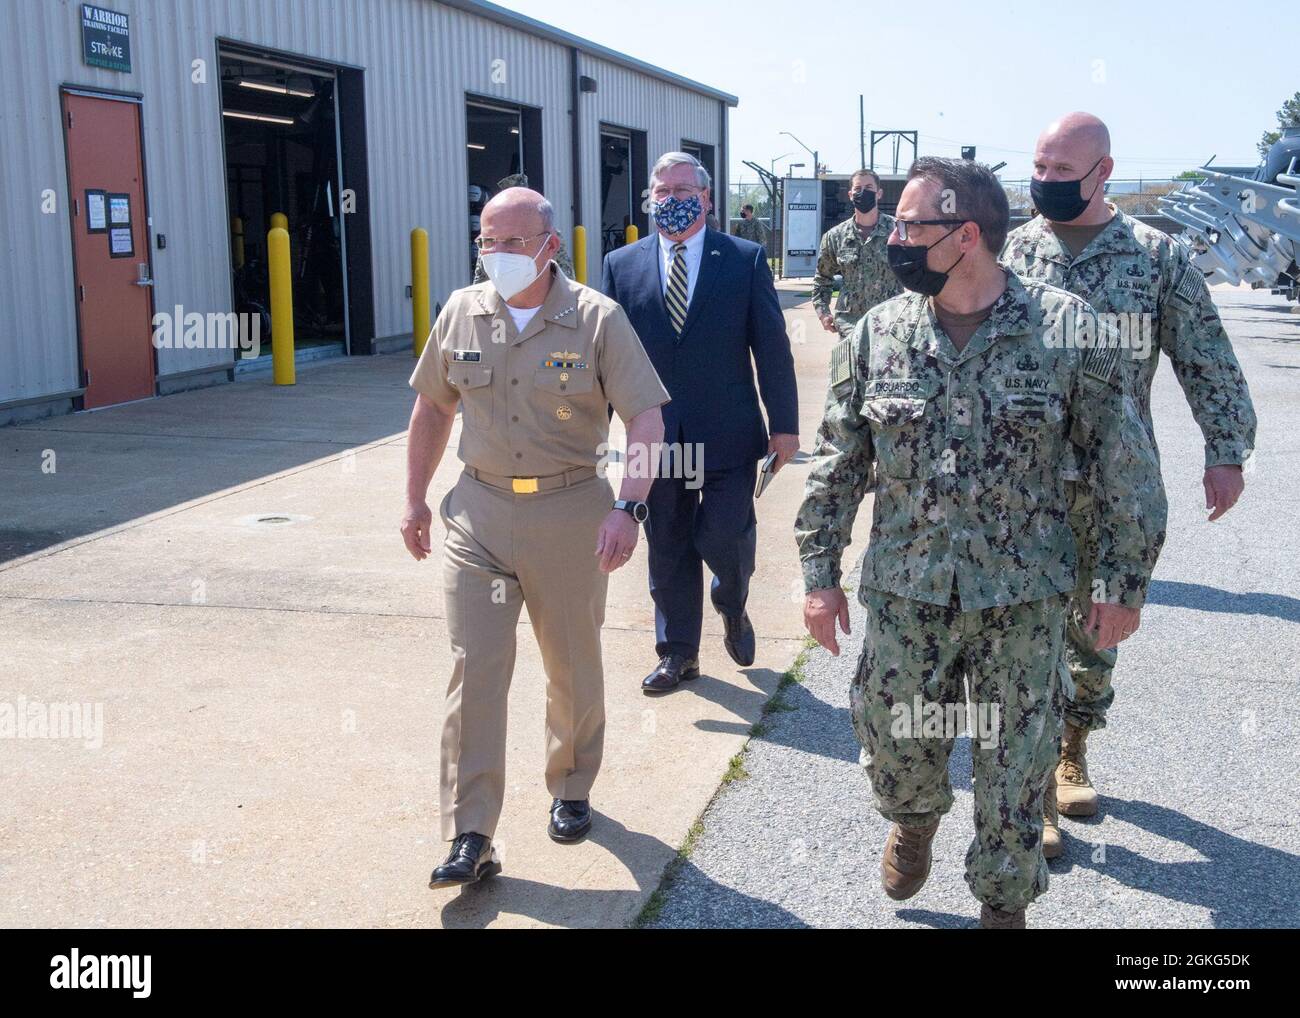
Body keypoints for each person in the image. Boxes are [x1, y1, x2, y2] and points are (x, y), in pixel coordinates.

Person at [795, 157, 1165, 928]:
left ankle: (1004, 900)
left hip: (1023, 599)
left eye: (909, 224)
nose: (893, 237)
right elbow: (839, 462)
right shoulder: (878, 334)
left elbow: (1125, 464)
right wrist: (819, 574)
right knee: (896, 750)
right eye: (892, 221)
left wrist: (1122, 585)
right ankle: (915, 816)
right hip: (908, 591)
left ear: (966, 235)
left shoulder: (1068, 330)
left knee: (1017, 770)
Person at [1001, 113, 1257, 855]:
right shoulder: (1012, 251)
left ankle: (1074, 745)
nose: (1045, 183)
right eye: (1039, 168)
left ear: (1104, 171)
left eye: (1062, 171)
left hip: (1116, 482)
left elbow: (1205, 354)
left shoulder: (1156, 259)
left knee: (1100, 626)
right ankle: (1036, 783)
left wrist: (1226, 451)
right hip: (1024, 483)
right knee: (1027, 633)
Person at [403, 186, 668, 888]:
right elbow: (432, 407)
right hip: (478, 515)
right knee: (475, 669)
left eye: (511, 242)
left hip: (571, 514)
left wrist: (629, 508)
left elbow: (645, 421)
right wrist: (414, 500)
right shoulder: (463, 310)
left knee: (572, 665)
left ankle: (572, 785)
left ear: (550, 245)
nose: (494, 254)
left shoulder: (596, 319)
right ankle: (469, 833)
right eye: (486, 240)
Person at [602, 152, 799, 693]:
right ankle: (678, 653)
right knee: (667, 544)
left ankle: (732, 604)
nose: (671, 199)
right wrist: (591, 428)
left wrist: (784, 425)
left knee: (726, 537)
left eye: (683, 189)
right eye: (661, 191)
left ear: (708, 198)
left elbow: (773, 350)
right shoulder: (621, 266)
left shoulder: (744, 258)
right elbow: (606, 354)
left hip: (727, 432)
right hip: (654, 437)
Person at [811, 169, 902, 340]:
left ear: (879, 193)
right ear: (850, 195)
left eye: (869, 187)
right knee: (849, 368)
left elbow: (917, 272)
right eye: (858, 188)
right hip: (850, 325)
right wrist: (823, 313)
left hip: (891, 322)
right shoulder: (835, 236)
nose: (863, 192)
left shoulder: (898, 231)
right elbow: (822, 279)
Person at [472, 173, 574, 282]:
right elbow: (482, 270)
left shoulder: (546, 233)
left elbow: (564, 267)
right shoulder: (491, 237)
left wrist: (566, 292)